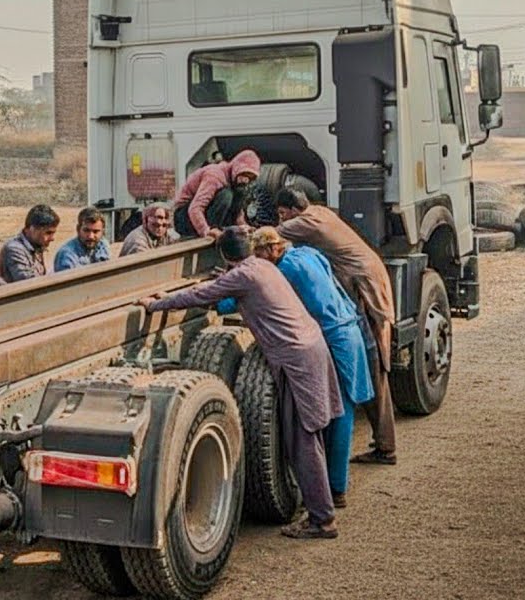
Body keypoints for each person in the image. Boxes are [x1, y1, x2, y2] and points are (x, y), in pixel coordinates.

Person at [139, 227, 342, 539]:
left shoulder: (242, 276)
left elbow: (199, 296)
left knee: (301, 438)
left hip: (295, 358)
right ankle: (323, 505)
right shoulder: (263, 266)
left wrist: (156, 304)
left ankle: (322, 520)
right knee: (311, 432)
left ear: (225, 255)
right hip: (312, 345)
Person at [249, 227, 374, 508]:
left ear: (271, 250)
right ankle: (333, 486)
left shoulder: (284, 270)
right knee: (341, 408)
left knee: (341, 411)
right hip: (349, 327)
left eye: (259, 256)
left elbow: (257, 290)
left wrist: (221, 298)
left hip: (335, 335)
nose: (258, 263)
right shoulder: (308, 253)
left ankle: (336, 489)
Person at [275, 188, 399, 465]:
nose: (282, 219)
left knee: (373, 365)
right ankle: (384, 442)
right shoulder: (320, 211)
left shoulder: (307, 221)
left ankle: (386, 447)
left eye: (283, 214)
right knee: (371, 367)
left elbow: (271, 237)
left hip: (367, 293)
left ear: (293, 211)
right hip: (368, 282)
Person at [172, 149, 262, 239]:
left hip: (204, 214)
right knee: (226, 195)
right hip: (184, 216)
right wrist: (206, 231)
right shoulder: (214, 176)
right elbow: (195, 208)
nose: (246, 180)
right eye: (244, 174)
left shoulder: (236, 183)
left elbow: (238, 213)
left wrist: (244, 227)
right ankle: (213, 229)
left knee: (240, 193)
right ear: (236, 168)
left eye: (250, 178)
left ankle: (222, 230)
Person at [0, 204, 60, 282]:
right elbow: (29, 283)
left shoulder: (35, 245)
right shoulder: (14, 250)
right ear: (32, 229)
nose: (52, 238)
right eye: (48, 233)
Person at [53, 207, 111, 271]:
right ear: (78, 229)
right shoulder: (67, 255)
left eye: (95, 231)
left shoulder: (102, 245)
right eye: (86, 230)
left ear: (103, 232)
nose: (91, 236)